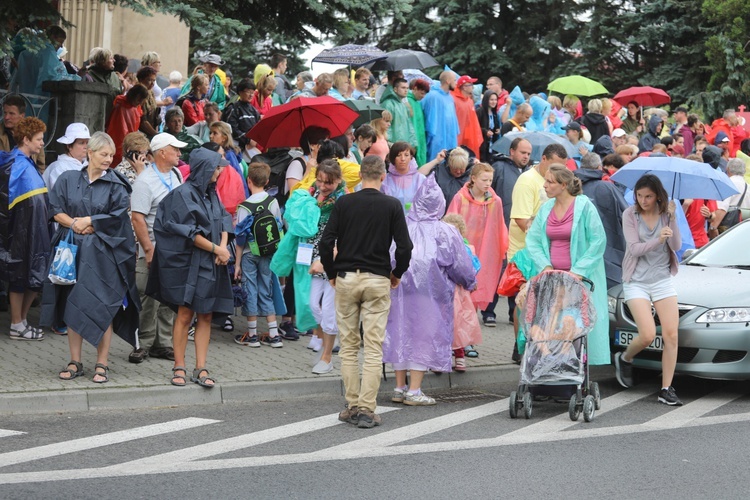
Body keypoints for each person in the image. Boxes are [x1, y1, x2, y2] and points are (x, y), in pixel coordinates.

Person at [319, 155, 413, 429]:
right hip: (377, 279)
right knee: (373, 347)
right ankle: (367, 408)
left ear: (359, 176)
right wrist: (397, 274)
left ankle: (351, 404)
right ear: (383, 176)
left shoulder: (344, 203)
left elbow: (327, 241)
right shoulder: (392, 205)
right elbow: (405, 247)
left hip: (347, 278)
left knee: (348, 346)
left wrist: (331, 272)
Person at [41, 132, 140, 383]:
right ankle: (75, 361)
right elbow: (55, 209)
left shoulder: (117, 185)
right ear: (90, 153)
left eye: (111, 155)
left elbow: (118, 219)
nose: (108, 159)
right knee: (73, 305)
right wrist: (76, 223)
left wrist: (92, 222)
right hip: (71, 252)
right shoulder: (67, 178)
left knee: (102, 305)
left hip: (102, 256)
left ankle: (102, 363)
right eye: (103, 154)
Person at [384, 177, 476, 406]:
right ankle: (414, 391)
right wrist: (470, 282)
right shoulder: (445, 231)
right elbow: (461, 265)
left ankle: (399, 387)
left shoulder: (402, 224)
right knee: (423, 337)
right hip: (431, 292)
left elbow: (389, 254)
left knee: (400, 332)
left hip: (399, 288)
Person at [146, 147, 233, 388]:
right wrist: (218, 250)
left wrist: (223, 248)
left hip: (212, 263)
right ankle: (179, 365)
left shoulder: (212, 193)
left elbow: (224, 220)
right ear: (205, 169)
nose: (219, 172)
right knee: (185, 315)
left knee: (206, 314)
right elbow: (188, 233)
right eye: (216, 168)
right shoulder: (182, 194)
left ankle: (201, 367)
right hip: (190, 265)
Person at [524, 165, 609, 366]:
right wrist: (544, 266)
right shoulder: (546, 208)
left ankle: (575, 365)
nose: (544, 186)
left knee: (575, 324)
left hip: (578, 279)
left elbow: (598, 240)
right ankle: (551, 364)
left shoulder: (585, 206)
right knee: (551, 324)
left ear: (563, 185)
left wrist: (578, 271)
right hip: (553, 279)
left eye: (549, 182)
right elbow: (533, 240)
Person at [614, 174, 683, 405]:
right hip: (636, 280)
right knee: (647, 334)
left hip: (662, 278)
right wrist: (657, 240)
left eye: (648, 196)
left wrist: (672, 220)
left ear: (657, 197)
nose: (643, 200)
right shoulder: (630, 214)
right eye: (640, 195)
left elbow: (677, 246)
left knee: (672, 335)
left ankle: (666, 388)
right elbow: (633, 249)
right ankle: (625, 358)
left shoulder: (666, 214)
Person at [128, 133, 185, 364]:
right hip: (153, 249)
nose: (180, 154)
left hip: (173, 250)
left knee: (168, 298)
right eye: (176, 149)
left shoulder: (176, 174)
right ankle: (143, 343)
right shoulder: (144, 181)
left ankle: (163, 343)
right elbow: (137, 218)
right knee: (147, 298)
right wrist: (148, 249)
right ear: (162, 152)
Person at [0, 117, 51, 340]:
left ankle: (20, 322)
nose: (42, 143)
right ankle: (17, 324)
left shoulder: (25, 162)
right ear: (26, 139)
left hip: (31, 229)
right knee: (20, 275)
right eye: (38, 139)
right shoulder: (19, 164)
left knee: (29, 275)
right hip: (22, 231)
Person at [447, 162, 508, 315]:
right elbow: (451, 223)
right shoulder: (460, 198)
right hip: (464, 248)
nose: (488, 184)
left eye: (490, 180)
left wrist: (502, 248)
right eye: (484, 180)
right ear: (473, 178)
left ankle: (470, 321)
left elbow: (499, 227)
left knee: (481, 282)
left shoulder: (495, 201)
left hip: (486, 250)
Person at [234, 162, 284, 349]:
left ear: (248, 180)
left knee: (250, 290)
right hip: (268, 253)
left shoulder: (244, 206)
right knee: (267, 289)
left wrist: (237, 263)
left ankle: (253, 335)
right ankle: (274, 334)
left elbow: (240, 238)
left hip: (249, 253)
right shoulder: (272, 202)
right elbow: (278, 226)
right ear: (267, 181)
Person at [305, 160, 347, 373]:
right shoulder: (312, 195)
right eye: (319, 180)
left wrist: (328, 258)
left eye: (328, 183)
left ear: (338, 181)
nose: (322, 186)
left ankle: (327, 357)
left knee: (329, 311)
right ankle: (333, 333)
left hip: (332, 260)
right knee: (312, 305)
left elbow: (344, 233)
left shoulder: (343, 201)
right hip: (314, 257)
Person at [573, 153, 629, 288]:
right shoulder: (607, 187)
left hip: (577, 252)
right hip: (608, 251)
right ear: (599, 167)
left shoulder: (571, 189)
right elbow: (626, 215)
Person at [106, 84, 149, 167]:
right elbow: (117, 130)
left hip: (130, 141)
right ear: (133, 95)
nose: (139, 102)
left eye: (142, 100)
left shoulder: (136, 107)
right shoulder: (121, 106)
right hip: (119, 142)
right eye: (139, 99)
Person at [421, 71, 460, 161]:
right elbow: (430, 121)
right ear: (448, 81)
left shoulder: (450, 97)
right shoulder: (433, 96)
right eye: (454, 80)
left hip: (450, 138)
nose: (456, 82)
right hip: (437, 141)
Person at [1, 95, 46, 170]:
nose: (6, 117)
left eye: (11, 113)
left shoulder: (33, 133)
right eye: (5, 113)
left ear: (22, 115)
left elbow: (41, 164)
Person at [381, 141, 426, 212]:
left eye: (406, 155)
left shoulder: (421, 179)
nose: (403, 159)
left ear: (411, 157)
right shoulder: (385, 180)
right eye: (399, 155)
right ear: (393, 158)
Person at [43, 123, 90, 189]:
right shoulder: (59, 168)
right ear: (69, 146)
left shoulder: (89, 165)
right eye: (81, 143)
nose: (86, 147)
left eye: (87, 143)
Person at [221, 78, 261, 151]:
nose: (251, 95)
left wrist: (255, 139)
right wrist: (248, 140)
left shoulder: (254, 110)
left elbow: (258, 127)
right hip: (235, 148)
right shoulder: (233, 108)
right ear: (240, 92)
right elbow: (231, 129)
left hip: (251, 148)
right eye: (248, 92)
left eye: (252, 92)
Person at [712, 158, 750, 232]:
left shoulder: (727, 184)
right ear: (744, 171)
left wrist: (713, 228)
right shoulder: (748, 187)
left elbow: (722, 208)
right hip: (744, 229)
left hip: (727, 229)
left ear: (728, 169)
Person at [452, 75, 484, 158]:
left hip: (468, 137)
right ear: (464, 87)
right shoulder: (453, 99)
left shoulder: (470, 101)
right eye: (470, 84)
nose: (472, 87)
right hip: (457, 137)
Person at [380, 77, 416, 147]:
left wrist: (413, 144)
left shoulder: (403, 105)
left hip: (404, 147)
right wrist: (389, 144)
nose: (406, 90)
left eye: (407, 88)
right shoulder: (388, 104)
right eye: (403, 88)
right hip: (393, 147)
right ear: (395, 89)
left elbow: (409, 126)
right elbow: (384, 126)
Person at [407, 79, 430, 165]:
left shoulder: (417, 103)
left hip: (419, 141)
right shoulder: (408, 102)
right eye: (422, 93)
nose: (423, 96)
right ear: (415, 89)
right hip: (413, 143)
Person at [477, 90, 501, 162]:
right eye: (491, 100)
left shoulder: (494, 113)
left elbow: (495, 126)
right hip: (482, 145)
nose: (494, 102)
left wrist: (497, 130)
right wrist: (485, 131)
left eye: (495, 100)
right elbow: (475, 127)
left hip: (491, 145)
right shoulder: (480, 111)